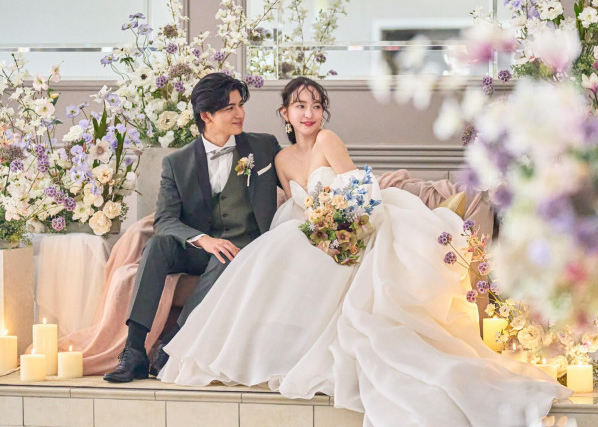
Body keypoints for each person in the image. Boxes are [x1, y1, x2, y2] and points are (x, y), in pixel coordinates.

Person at [159, 77, 570, 426]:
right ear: (285, 113)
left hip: (352, 223)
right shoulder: (280, 158)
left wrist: (340, 229)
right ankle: (256, 353)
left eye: (316, 106)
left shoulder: (328, 140)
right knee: (274, 251)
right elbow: (290, 204)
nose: (309, 114)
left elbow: (358, 190)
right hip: (310, 228)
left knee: (303, 254)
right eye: (300, 106)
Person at [104, 73, 281, 382]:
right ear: (206, 116)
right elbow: (165, 219)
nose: (240, 113)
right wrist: (203, 240)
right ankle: (134, 351)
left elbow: (298, 171)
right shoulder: (177, 163)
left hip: (243, 249)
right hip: (198, 249)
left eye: (240, 105)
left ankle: (172, 343)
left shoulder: (264, 147)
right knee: (157, 245)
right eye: (229, 108)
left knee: (226, 256)